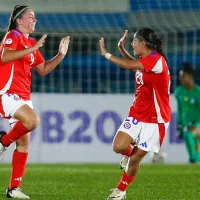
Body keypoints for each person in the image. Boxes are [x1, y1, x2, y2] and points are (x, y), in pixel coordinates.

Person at [0, 5, 70, 199]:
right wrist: (32, 47)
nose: (35, 20)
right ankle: (3, 141)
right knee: (33, 121)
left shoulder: (31, 43)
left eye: (35, 17)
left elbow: (43, 69)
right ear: (19, 20)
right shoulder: (13, 36)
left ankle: (13, 189)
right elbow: (5, 56)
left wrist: (60, 55)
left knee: (23, 144)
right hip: (7, 92)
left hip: (23, 96)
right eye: (31, 17)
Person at [99, 28, 171, 200]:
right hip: (137, 113)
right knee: (119, 146)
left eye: (134, 41)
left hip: (155, 118)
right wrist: (122, 50)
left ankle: (121, 190)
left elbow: (130, 65)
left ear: (143, 43)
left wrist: (106, 54)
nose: (132, 44)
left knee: (136, 158)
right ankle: (129, 154)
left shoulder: (157, 60)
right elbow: (134, 66)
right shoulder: (146, 61)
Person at [175, 63, 200, 163]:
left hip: (197, 124)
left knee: (190, 135)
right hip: (186, 125)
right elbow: (180, 109)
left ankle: (194, 160)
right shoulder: (179, 91)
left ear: (190, 77)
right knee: (193, 142)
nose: (180, 79)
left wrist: (196, 124)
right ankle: (195, 161)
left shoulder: (198, 92)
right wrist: (180, 124)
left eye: (183, 76)